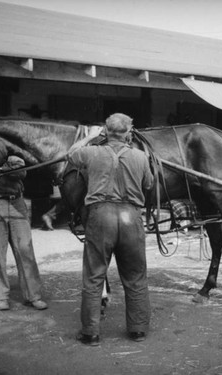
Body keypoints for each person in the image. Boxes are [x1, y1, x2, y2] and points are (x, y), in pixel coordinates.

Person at [68, 113, 154, 346]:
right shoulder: (140, 156)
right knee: (135, 276)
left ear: (105, 131)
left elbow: (70, 154)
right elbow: (149, 185)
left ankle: (90, 333)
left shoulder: (91, 152)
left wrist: (91, 137)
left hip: (100, 217)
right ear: (128, 133)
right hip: (130, 217)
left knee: (94, 275)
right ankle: (137, 330)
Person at [0, 155, 47, 311]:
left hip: (16, 202)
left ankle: (33, 295)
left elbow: (21, 172)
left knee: (25, 249)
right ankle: (0, 296)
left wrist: (4, 168)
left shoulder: (11, 149)